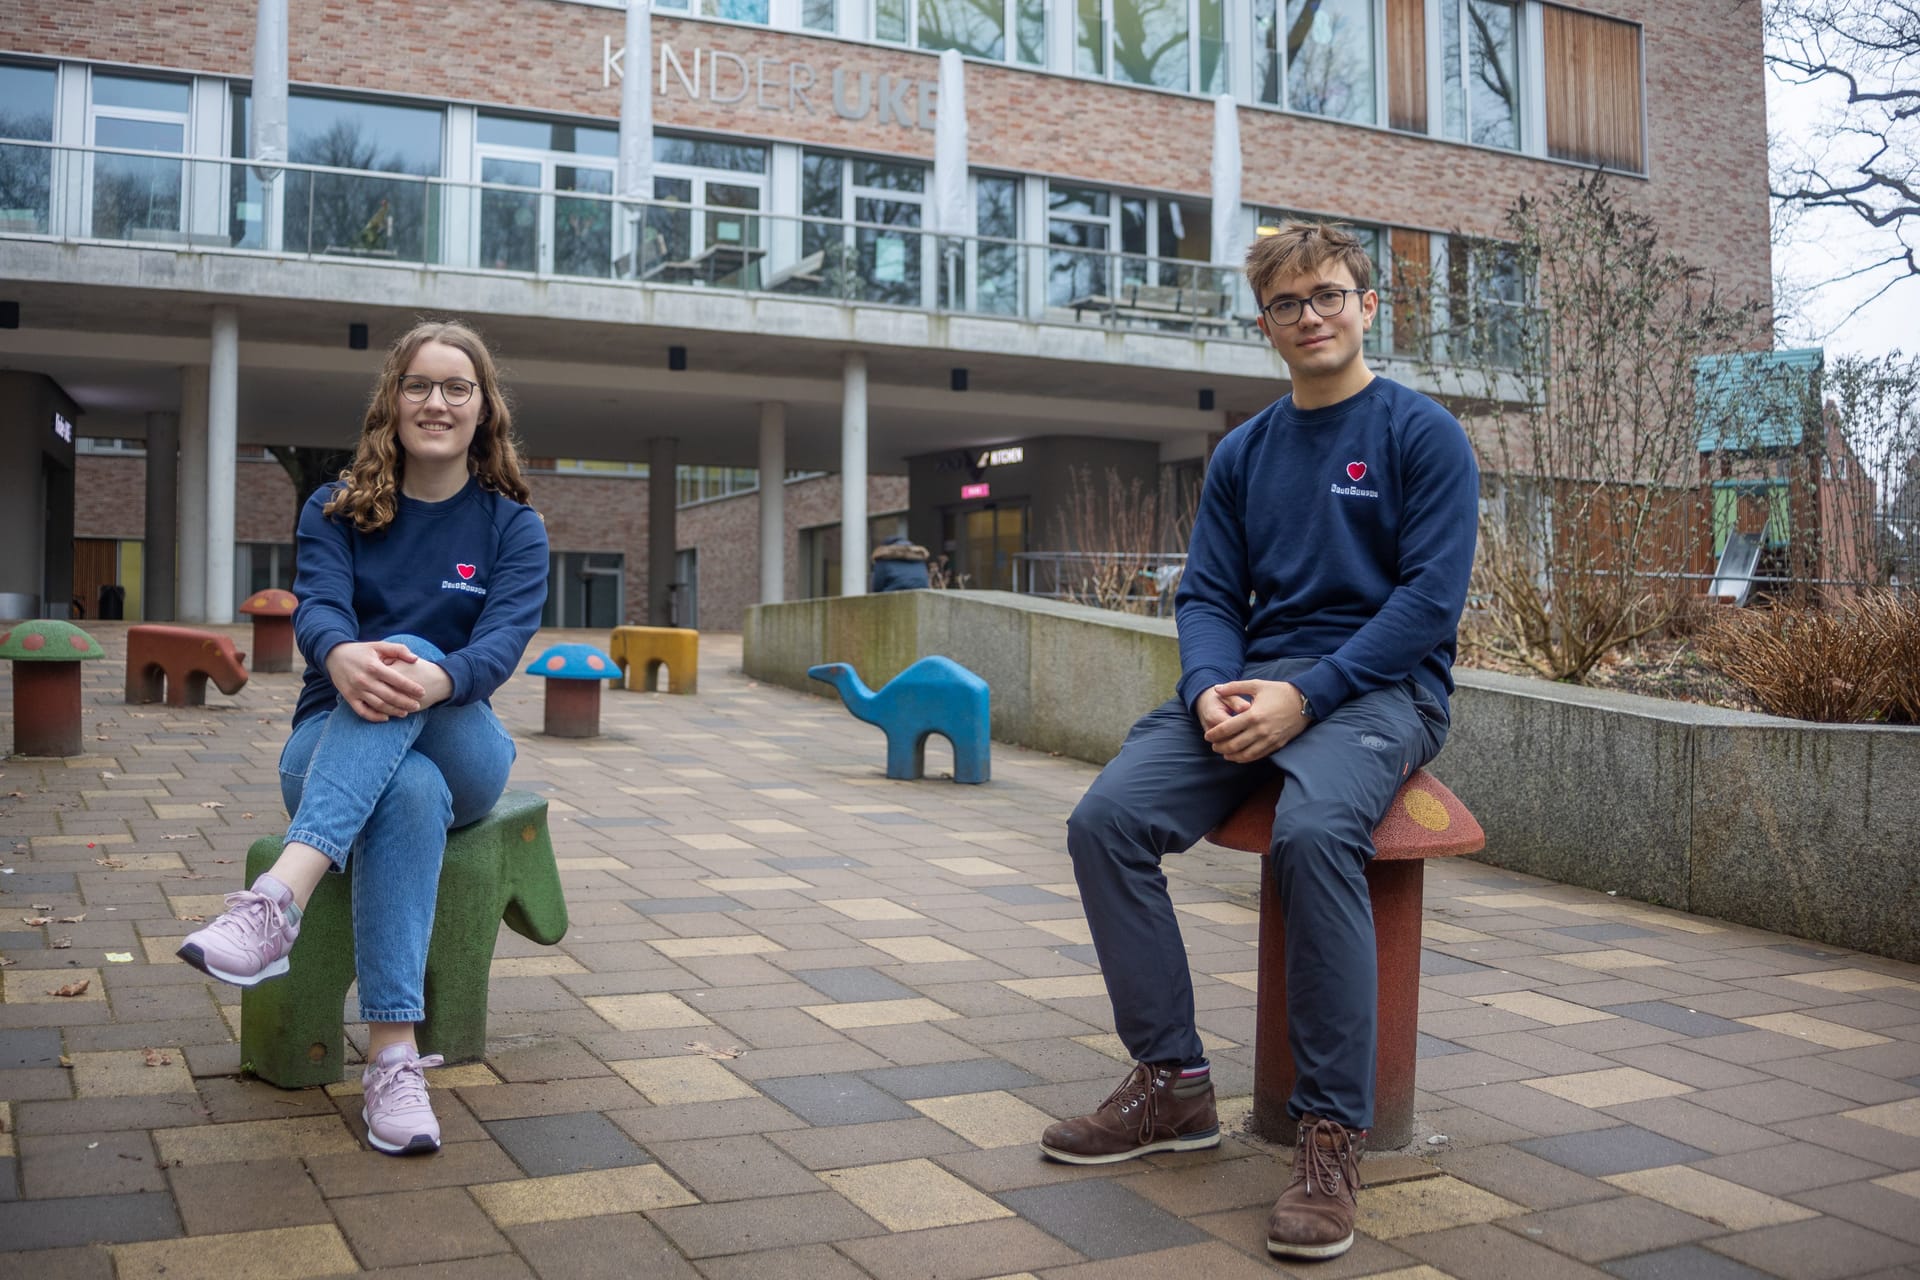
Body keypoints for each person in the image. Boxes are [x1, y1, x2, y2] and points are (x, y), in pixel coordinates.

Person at [1037, 222, 1478, 1261]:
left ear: (1369, 306)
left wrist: (1306, 695)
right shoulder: (1245, 451)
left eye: (1329, 295)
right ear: (1267, 323)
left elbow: (1428, 603)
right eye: (1288, 303)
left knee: (1317, 831)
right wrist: (1207, 693)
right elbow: (1207, 594)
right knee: (1105, 818)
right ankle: (1175, 1083)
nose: (1311, 316)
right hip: (1249, 686)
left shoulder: (1422, 435)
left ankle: (1330, 1132)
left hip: (1381, 691)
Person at [178, 320, 549, 1156]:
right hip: (329, 737)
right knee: (405, 790)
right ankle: (393, 1060)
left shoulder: (511, 528)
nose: (437, 402)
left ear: (485, 409)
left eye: (458, 388)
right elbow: (317, 609)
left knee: (416, 660)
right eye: (420, 384)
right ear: (394, 398)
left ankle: (279, 900)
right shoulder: (336, 507)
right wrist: (339, 653)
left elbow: (496, 651)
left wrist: (426, 673)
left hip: (468, 745)